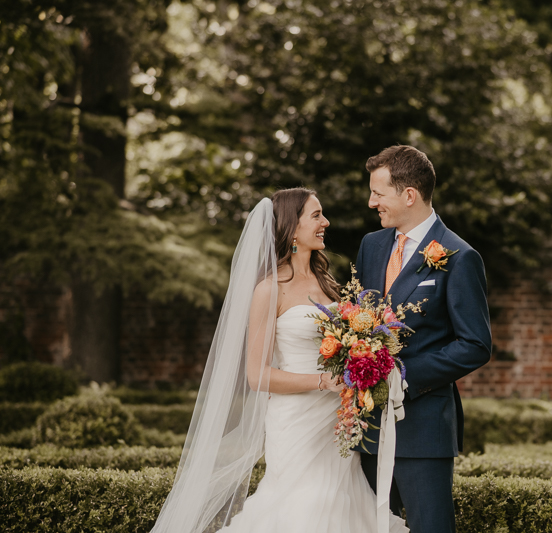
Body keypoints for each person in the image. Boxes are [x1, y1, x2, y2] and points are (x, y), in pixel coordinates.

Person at [150, 188, 408, 533]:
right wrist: (321, 382)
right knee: (302, 507)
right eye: (316, 216)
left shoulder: (329, 284)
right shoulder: (269, 289)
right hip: (297, 421)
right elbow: (256, 375)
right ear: (291, 227)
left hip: (338, 420)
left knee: (343, 504)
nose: (325, 222)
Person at [356, 146, 492, 533]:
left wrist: (401, 375)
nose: (371, 202)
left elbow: (476, 344)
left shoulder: (460, 256)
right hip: (366, 430)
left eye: (378, 193)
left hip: (423, 431)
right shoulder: (372, 245)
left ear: (409, 195)